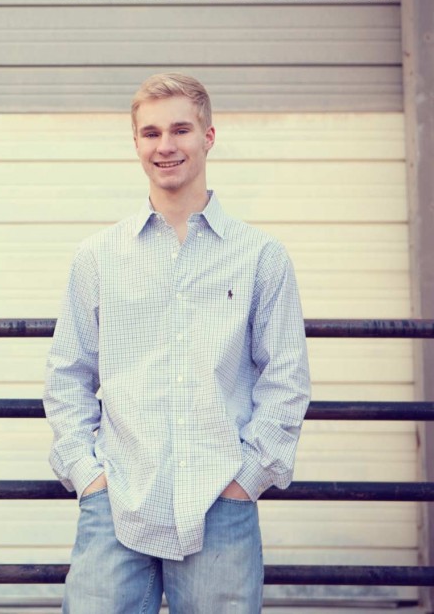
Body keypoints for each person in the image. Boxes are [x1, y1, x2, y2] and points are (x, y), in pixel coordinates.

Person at [43, 73, 310, 613]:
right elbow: (67, 374)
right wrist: (89, 477)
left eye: (180, 130)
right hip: (117, 501)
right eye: (151, 133)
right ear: (136, 143)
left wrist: (245, 480)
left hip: (220, 502)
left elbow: (286, 379)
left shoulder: (260, 257)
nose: (165, 145)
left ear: (208, 136)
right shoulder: (98, 257)